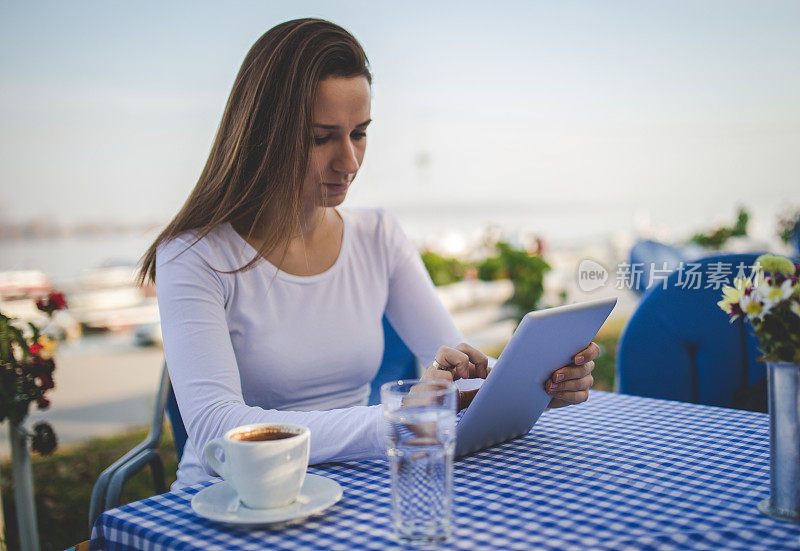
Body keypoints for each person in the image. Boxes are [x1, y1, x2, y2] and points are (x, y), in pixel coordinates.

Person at [138, 18, 600, 489]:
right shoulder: (193, 255)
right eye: (322, 137)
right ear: (264, 134)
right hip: (226, 502)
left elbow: (458, 365)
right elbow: (220, 431)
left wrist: (540, 382)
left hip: (349, 490)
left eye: (359, 133)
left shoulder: (377, 234)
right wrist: (398, 418)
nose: (350, 161)